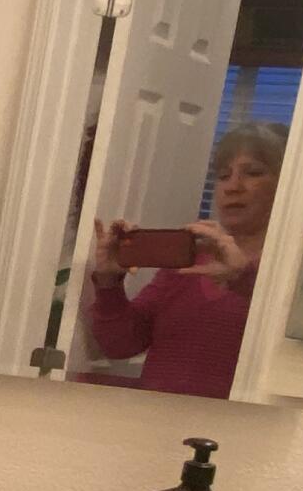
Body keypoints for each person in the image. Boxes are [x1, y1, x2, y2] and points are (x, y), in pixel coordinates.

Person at [77, 122, 284, 397]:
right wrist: (108, 282)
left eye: (253, 173)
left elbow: (294, 358)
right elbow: (120, 346)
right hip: (154, 423)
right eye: (223, 175)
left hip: (239, 431)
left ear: (285, 184)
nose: (233, 187)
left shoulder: (292, 268)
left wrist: (243, 278)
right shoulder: (189, 261)